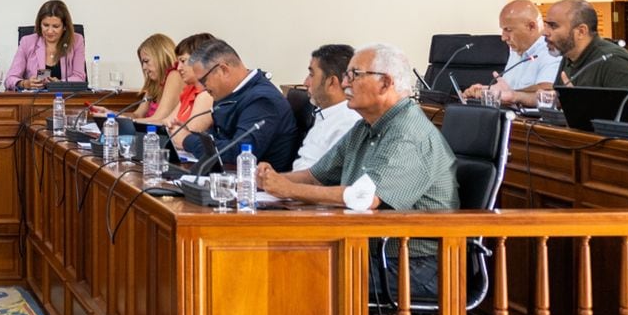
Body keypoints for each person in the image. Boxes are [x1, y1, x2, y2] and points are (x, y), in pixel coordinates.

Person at [258, 43, 458, 211]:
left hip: (408, 255)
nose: (345, 83)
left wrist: (288, 189)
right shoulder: (364, 126)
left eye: (355, 75)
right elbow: (315, 177)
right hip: (364, 244)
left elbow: (364, 197)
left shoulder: (409, 133)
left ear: (385, 83)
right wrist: (267, 181)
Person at [173, 38, 298, 171]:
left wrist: (188, 140)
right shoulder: (231, 94)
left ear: (223, 70)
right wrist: (189, 134)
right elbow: (217, 138)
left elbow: (239, 153)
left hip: (256, 187)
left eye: (203, 80)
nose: (201, 86)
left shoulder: (263, 100)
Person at [460, 0, 561, 105]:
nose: (503, 38)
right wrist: (487, 90)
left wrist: (510, 94)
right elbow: (507, 88)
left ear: (531, 26)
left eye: (508, 30)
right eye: (503, 30)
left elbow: (548, 92)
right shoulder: (516, 49)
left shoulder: (551, 51)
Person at [540, 0, 628, 95]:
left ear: (581, 31)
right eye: (546, 25)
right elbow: (561, 101)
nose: (544, 32)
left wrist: (581, 102)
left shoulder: (614, 60)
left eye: (553, 26)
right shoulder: (569, 57)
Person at [293, 42, 362, 171]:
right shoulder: (324, 113)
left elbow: (321, 181)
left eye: (312, 75)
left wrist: (279, 182)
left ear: (331, 82)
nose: (305, 83)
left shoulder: (348, 124)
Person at [100, 32, 188, 129]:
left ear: (161, 57)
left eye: (146, 61)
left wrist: (118, 122)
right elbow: (138, 115)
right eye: (142, 63)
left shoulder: (174, 75)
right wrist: (111, 115)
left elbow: (158, 119)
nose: (144, 67)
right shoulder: (154, 83)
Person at [5, 0, 87, 90]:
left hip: (66, 99)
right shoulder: (27, 42)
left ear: (65, 27)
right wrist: (24, 83)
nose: (50, 31)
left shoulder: (76, 41)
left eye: (55, 26)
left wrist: (60, 84)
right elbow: (10, 79)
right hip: (35, 101)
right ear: (39, 24)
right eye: (46, 25)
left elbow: (80, 78)